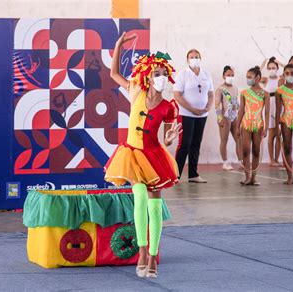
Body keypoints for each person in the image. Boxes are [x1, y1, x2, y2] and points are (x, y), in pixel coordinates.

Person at [105, 32, 181, 278]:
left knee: (154, 207)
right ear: (147, 75)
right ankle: (142, 251)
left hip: (154, 156)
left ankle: (153, 257)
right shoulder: (135, 91)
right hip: (132, 154)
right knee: (139, 198)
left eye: (163, 74)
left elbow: (169, 134)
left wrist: (169, 139)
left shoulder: (168, 107)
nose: (160, 78)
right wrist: (118, 46)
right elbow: (113, 74)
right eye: (156, 74)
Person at [173, 49, 214, 183]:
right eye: (192, 57)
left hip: (202, 114)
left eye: (197, 57)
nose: (194, 59)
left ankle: (193, 174)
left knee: (196, 143)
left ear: (200, 58)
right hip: (186, 114)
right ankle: (175, 174)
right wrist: (191, 109)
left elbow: (211, 94)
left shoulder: (206, 74)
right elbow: (177, 95)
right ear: (187, 59)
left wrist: (207, 107)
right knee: (185, 143)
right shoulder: (183, 74)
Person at [237, 66, 269, 185]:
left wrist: (265, 127)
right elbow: (241, 110)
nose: (248, 79)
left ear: (258, 78)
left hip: (258, 125)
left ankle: (254, 178)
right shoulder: (244, 93)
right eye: (247, 77)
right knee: (245, 151)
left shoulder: (265, 94)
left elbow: (266, 112)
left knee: (256, 151)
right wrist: (238, 126)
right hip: (246, 124)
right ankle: (247, 176)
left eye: (250, 77)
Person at [215, 65, 241, 170]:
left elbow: (236, 102)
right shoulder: (220, 89)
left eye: (232, 75)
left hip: (234, 116)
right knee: (224, 139)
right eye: (228, 75)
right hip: (225, 116)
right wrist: (219, 117)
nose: (230, 77)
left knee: (239, 139)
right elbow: (217, 104)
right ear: (223, 76)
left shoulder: (235, 88)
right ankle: (225, 162)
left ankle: (241, 161)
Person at [260, 57, 282, 166]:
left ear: (277, 68)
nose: (271, 69)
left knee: (279, 134)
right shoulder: (265, 79)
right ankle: (271, 159)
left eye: (274, 67)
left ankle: (277, 159)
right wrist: (263, 64)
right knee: (271, 133)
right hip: (270, 105)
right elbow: (255, 76)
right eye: (269, 68)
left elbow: (292, 71)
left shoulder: (281, 79)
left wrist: (279, 62)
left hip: (280, 105)